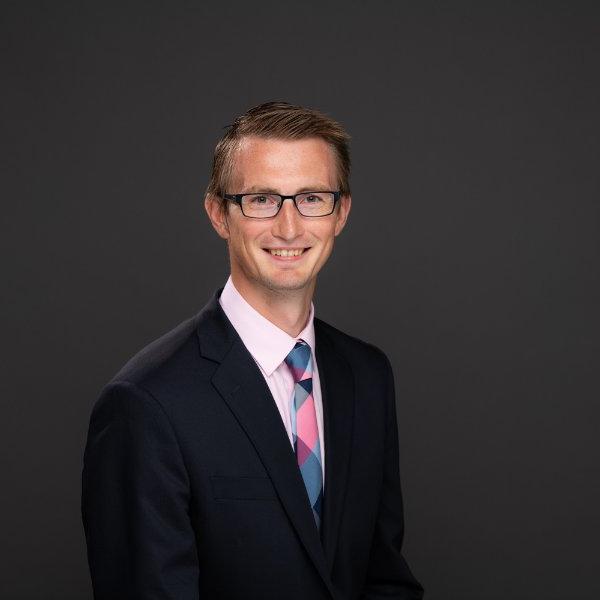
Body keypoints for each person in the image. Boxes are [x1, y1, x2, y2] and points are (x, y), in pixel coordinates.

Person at [81, 101, 424, 599]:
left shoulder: (366, 375)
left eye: (311, 198)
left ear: (341, 212)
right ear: (220, 214)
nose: (289, 228)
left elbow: (385, 578)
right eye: (262, 200)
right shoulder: (146, 403)